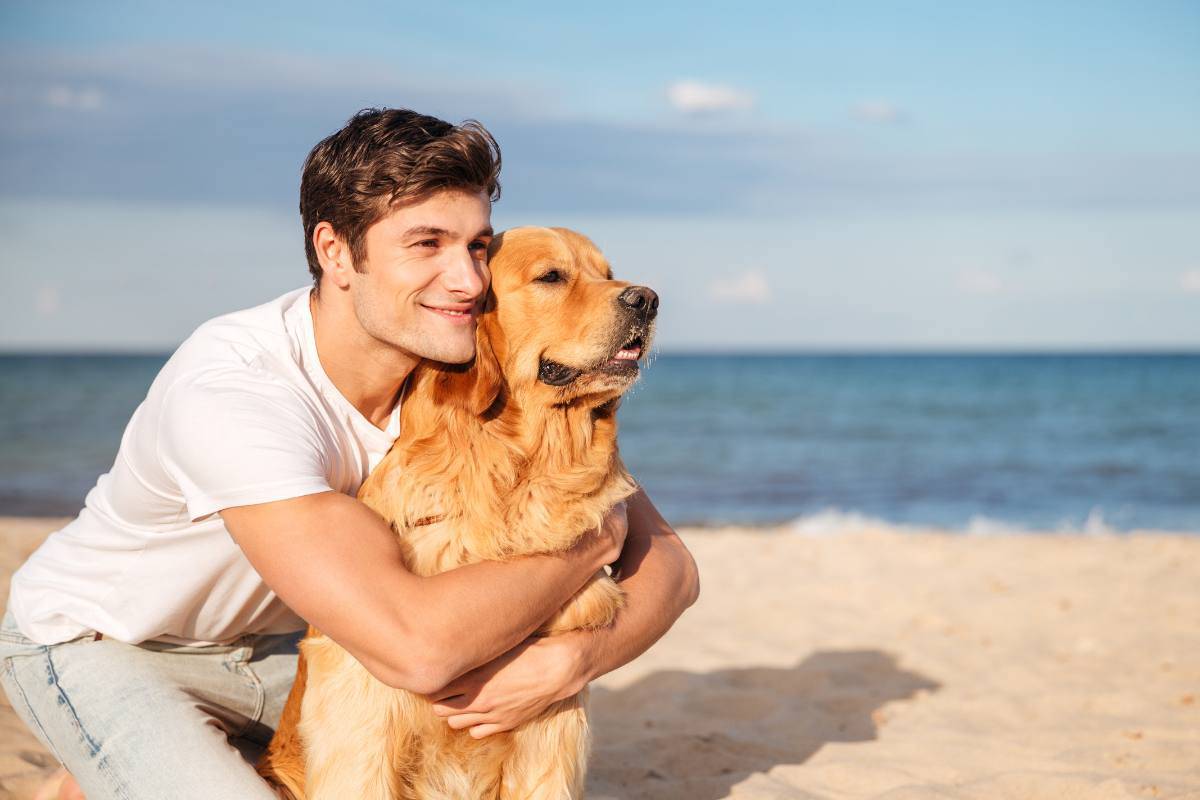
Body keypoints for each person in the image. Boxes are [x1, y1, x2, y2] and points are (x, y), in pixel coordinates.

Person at [1, 108, 700, 800]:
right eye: (426, 244)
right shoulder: (237, 393)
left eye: (476, 245)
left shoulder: (450, 372)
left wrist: (575, 658)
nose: (467, 279)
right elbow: (417, 648)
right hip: (109, 646)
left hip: (286, 643)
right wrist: (592, 541)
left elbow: (671, 567)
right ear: (336, 251)